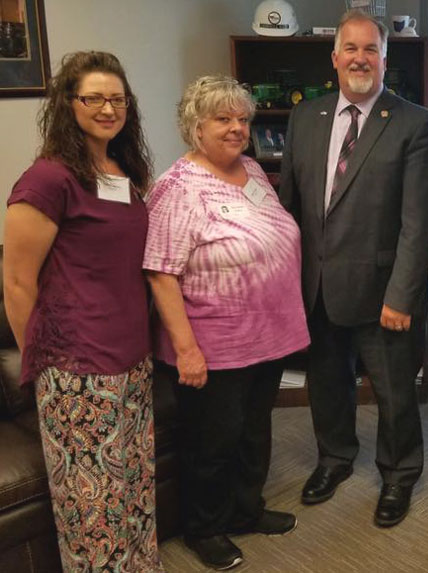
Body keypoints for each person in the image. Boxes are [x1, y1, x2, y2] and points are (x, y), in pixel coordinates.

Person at [278, 10, 428, 528]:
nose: (359, 58)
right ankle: (334, 459)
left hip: (384, 292)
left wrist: (401, 296)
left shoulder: (417, 123)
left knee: (395, 393)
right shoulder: (306, 117)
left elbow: (420, 223)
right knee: (328, 384)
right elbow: (291, 208)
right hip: (319, 286)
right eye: (350, 48)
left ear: (385, 58)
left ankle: (398, 475)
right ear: (334, 58)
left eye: (370, 49)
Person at [3, 51, 162, 572]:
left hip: (130, 357)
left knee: (134, 489)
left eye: (117, 98)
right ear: (68, 103)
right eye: (93, 97)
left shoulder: (121, 169)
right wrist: (43, 364)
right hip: (76, 369)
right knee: (93, 507)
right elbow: (17, 281)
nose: (107, 108)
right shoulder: (47, 180)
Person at [143, 75, 309, 570]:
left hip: (268, 335)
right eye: (223, 119)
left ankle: (245, 510)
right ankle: (206, 527)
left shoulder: (254, 170)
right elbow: (160, 273)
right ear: (196, 127)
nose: (237, 128)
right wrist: (187, 349)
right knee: (211, 442)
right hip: (212, 343)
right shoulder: (176, 188)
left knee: (254, 431)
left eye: (242, 118)